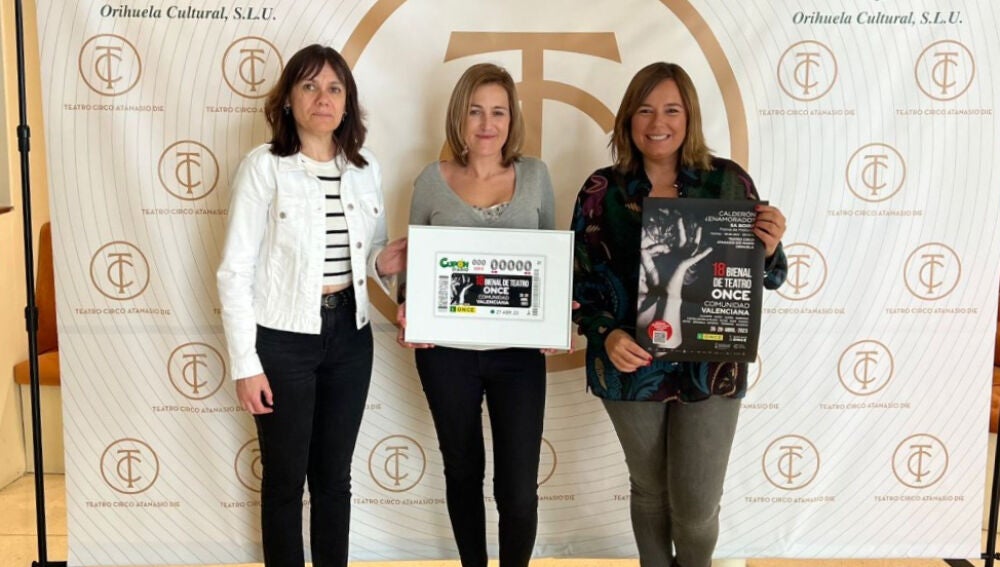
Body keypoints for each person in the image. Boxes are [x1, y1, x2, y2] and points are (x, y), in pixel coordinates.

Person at [570, 62, 788, 567]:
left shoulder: (728, 182)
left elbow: (767, 276)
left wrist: (772, 247)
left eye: (671, 109)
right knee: (648, 490)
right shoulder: (601, 191)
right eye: (644, 110)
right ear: (628, 118)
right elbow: (578, 283)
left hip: (710, 364)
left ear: (689, 116)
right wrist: (605, 334)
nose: (657, 122)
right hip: (629, 363)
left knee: (695, 506)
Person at [216, 44, 406, 567]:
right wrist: (246, 364)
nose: (323, 97)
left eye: (334, 88)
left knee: (334, 478)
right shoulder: (264, 168)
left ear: (347, 103)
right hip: (282, 341)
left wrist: (384, 264)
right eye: (309, 86)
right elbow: (234, 270)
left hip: (351, 337)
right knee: (284, 480)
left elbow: (368, 254)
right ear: (288, 100)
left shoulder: (365, 168)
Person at [395, 63, 555, 567]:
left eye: (499, 112)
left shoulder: (537, 176)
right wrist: (408, 310)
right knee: (463, 473)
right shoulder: (431, 180)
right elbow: (412, 267)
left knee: (518, 487)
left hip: (519, 356)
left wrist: (556, 315)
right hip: (445, 355)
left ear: (512, 119)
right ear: (458, 118)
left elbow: (551, 260)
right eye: (475, 111)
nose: (488, 124)